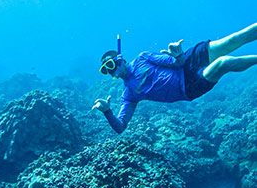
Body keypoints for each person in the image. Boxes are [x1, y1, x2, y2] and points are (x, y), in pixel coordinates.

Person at [92, 22, 257, 134]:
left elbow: (177, 63)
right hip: (188, 87)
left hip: (186, 62)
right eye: (105, 71)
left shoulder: (143, 58)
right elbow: (120, 127)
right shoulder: (128, 95)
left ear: (120, 59)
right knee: (224, 63)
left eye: (110, 66)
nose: (110, 72)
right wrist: (107, 111)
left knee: (232, 39)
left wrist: (177, 55)